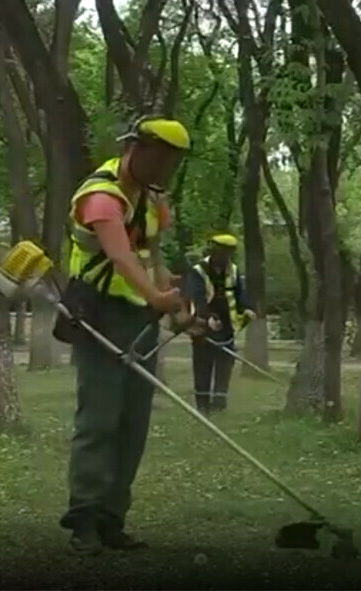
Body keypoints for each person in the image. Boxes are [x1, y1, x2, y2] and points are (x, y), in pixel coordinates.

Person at [57, 115, 190, 555]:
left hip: (139, 318)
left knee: (134, 421)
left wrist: (174, 302)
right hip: (98, 314)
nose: (165, 170)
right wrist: (155, 296)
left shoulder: (153, 199)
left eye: (173, 163)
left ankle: (114, 518)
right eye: (161, 159)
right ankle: (85, 521)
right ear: (138, 148)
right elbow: (120, 258)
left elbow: (153, 256)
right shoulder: (101, 196)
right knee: (99, 418)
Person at [185, 233, 254, 415]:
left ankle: (219, 403)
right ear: (214, 252)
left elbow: (240, 293)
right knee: (202, 364)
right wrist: (207, 317)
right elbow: (197, 296)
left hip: (227, 327)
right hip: (203, 326)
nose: (225, 258)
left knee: (225, 364)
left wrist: (247, 308)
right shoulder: (198, 271)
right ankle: (202, 405)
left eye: (228, 254)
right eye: (222, 254)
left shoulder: (233, 270)